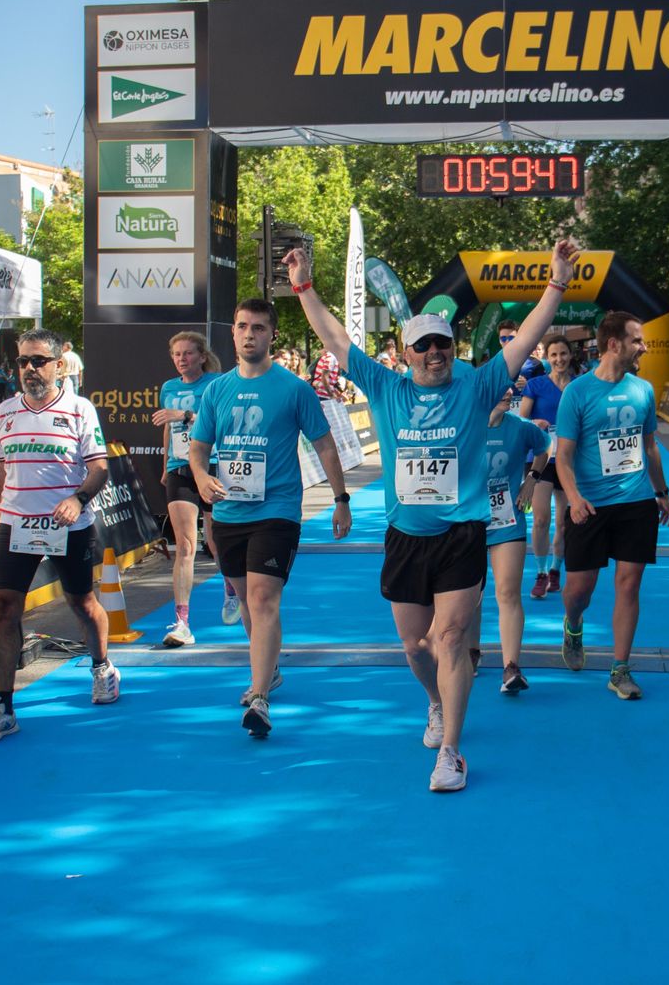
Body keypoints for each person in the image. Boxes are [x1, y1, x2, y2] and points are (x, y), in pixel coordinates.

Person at [289, 240, 564, 791]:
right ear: (405, 351)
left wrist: (556, 282)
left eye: (441, 343)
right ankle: (436, 704)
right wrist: (303, 287)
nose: (434, 353)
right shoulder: (387, 386)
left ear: (452, 346)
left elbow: (530, 335)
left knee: (450, 637)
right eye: (423, 347)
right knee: (415, 647)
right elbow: (335, 339)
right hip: (405, 536)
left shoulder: (477, 382)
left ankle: (453, 753)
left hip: (462, 532)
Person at [190, 299, 351, 739]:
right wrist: (202, 479)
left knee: (263, 599)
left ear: (271, 336)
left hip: (277, 510)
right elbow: (199, 446)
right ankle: (270, 669)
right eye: (242, 326)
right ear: (233, 333)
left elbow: (324, 445)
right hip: (229, 510)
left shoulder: (294, 389)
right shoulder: (217, 389)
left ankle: (259, 695)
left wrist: (341, 498)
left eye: (258, 328)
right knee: (245, 600)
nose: (248, 335)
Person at [0, 329, 120, 744]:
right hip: (16, 523)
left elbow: (100, 467)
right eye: (23, 361)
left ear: (58, 364)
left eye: (38, 361)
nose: (30, 369)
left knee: (82, 602)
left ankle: (102, 666)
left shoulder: (78, 409)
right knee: (3, 608)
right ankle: (2, 707)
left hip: (66, 525)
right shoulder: (4, 412)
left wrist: (78, 499)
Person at [554, 310, 669, 700]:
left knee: (629, 584)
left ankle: (620, 668)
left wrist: (662, 492)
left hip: (636, 500)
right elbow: (564, 456)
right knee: (579, 589)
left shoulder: (643, 389)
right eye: (637, 340)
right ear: (613, 344)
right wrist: (573, 498)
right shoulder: (578, 392)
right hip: (589, 505)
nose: (643, 346)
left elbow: (650, 445)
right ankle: (573, 623)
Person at [469, 383, 551, 694]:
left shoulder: (519, 427)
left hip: (507, 520)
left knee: (507, 592)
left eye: (509, 388)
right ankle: (471, 652)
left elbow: (545, 447)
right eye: (498, 387)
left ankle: (510, 667)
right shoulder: (466, 424)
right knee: (471, 594)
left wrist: (532, 479)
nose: (506, 393)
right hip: (469, 522)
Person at [152, 331, 223, 647]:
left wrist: (186, 414)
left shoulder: (216, 384)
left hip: (213, 467)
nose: (182, 359)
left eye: (188, 354)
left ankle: (232, 589)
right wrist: (166, 463)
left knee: (217, 541)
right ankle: (182, 622)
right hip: (180, 470)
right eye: (177, 354)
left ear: (202, 356)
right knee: (185, 546)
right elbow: (168, 428)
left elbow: (220, 422)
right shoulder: (168, 387)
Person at [520, 334, 576, 598]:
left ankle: (556, 570)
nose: (559, 359)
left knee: (564, 522)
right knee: (541, 518)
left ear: (570, 355)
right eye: (554, 355)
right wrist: (535, 424)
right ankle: (541, 573)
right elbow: (521, 421)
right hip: (541, 459)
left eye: (563, 353)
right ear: (547, 357)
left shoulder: (579, 386)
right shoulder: (536, 385)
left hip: (568, 461)